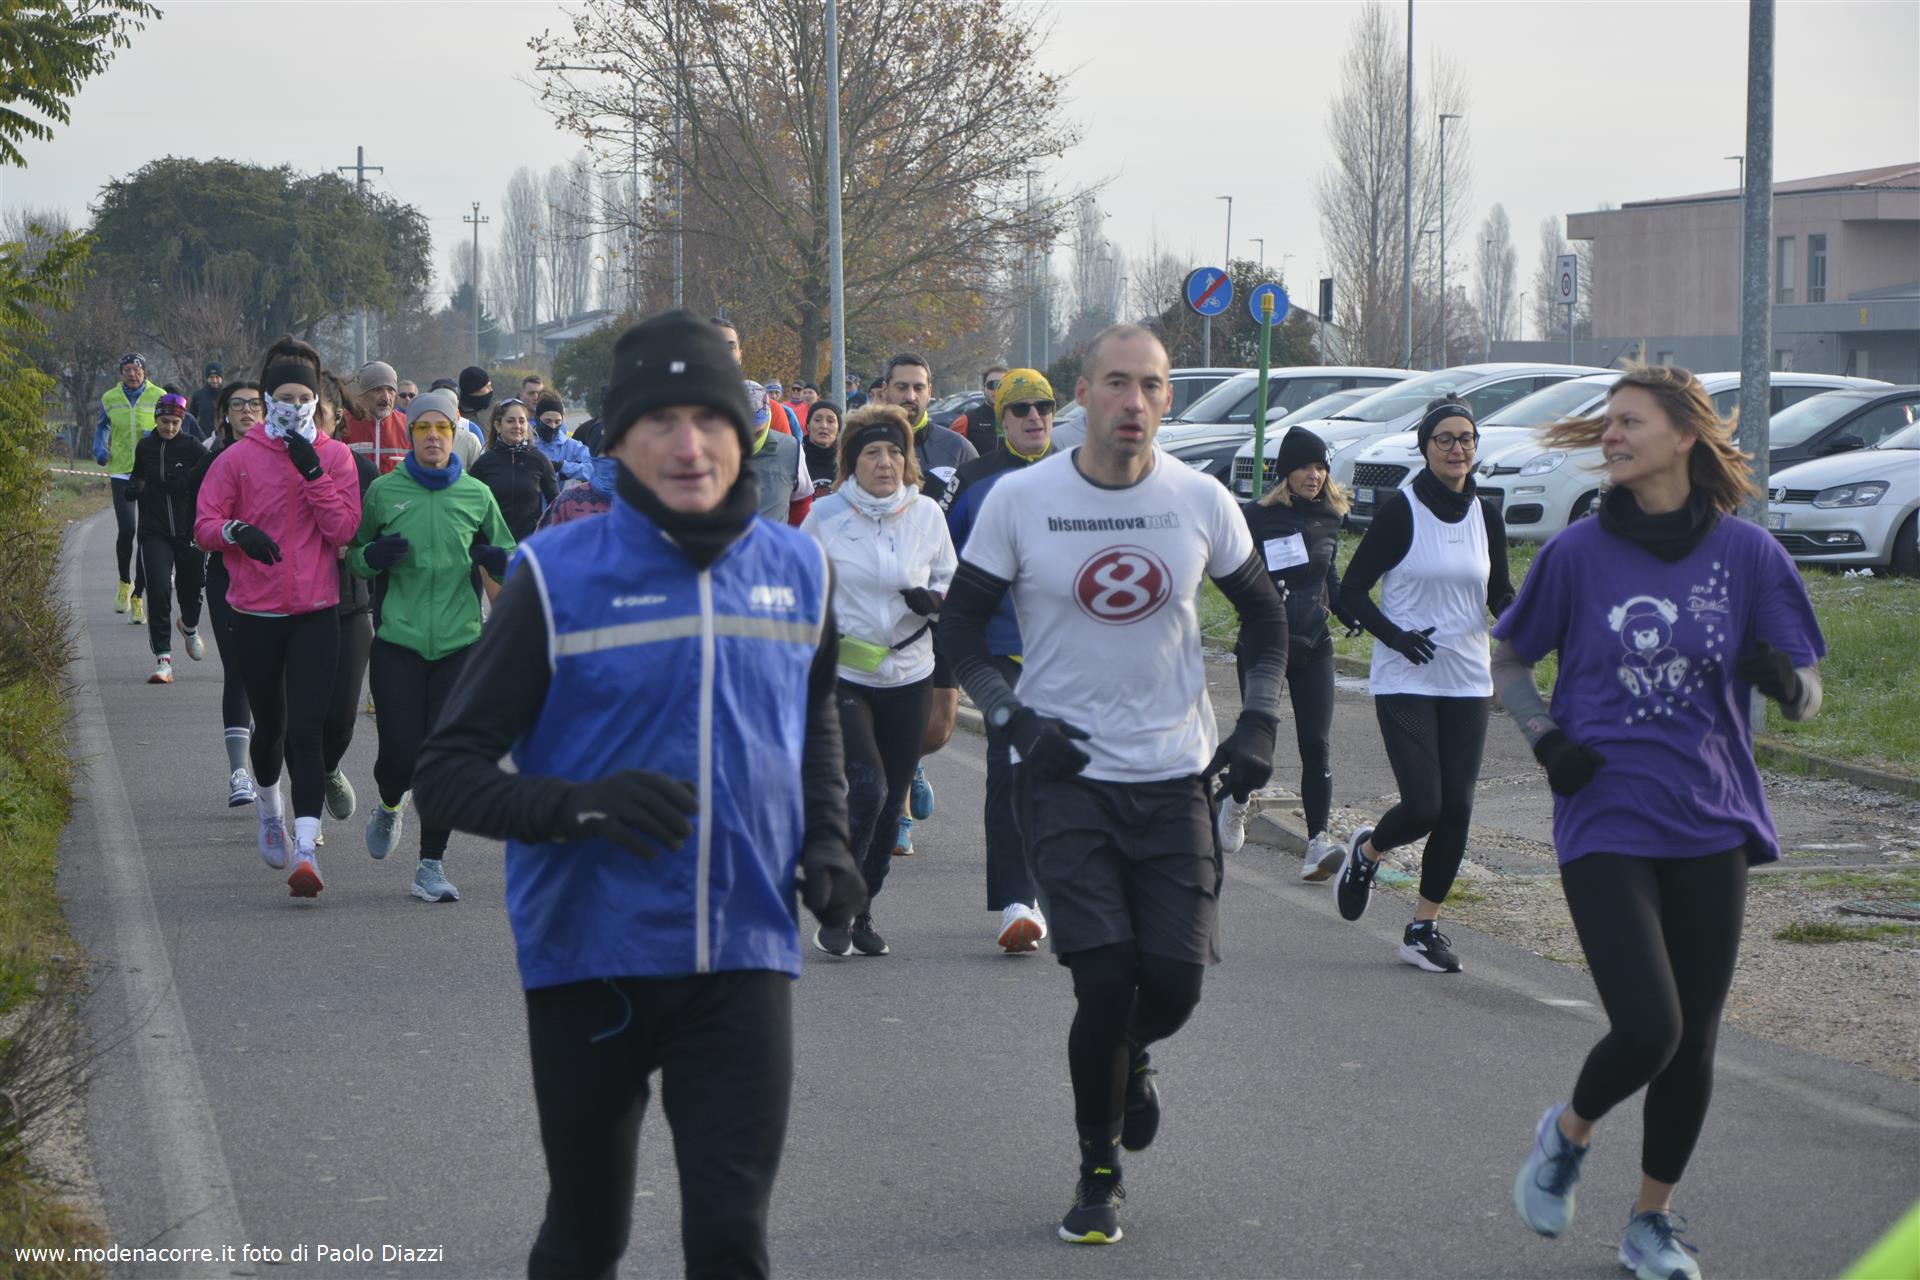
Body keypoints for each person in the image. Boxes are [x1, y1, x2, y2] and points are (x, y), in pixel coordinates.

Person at [412, 309, 864, 1279]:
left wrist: (828, 838)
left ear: (747, 433)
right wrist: (578, 806)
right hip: (592, 956)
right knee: (587, 1236)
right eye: (660, 421)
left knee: (731, 1238)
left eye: (710, 419)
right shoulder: (553, 576)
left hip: (742, 952)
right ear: (616, 440)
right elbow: (445, 771)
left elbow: (814, 715)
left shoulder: (799, 568)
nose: (689, 445)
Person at [938, 324, 1287, 1246]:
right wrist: (1013, 720)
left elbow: (1266, 617)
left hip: (1174, 776)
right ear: (1083, 395)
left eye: (1152, 386)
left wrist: (1259, 718)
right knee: (1102, 979)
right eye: (1117, 383)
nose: (1135, 402)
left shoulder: (1200, 499)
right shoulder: (1021, 500)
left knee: (1172, 986)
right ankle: (1099, 1170)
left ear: (1168, 400)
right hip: (1065, 777)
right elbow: (961, 630)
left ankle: (1131, 1057)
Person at [1500, 366, 1824, 1280]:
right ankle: (1567, 1135)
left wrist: (1785, 685)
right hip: (1603, 815)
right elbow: (1509, 659)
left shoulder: (1749, 556)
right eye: (1606, 423)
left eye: (1629, 422)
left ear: (1684, 437)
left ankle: (1651, 1222)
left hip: (1711, 820)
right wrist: (1545, 740)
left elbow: (1809, 692)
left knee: (1695, 1040)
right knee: (1650, 1028)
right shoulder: (1576, 554)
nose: (1610, 436)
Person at [1332, 395, 1514, 973]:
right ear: (1426, 447)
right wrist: (1395, 636)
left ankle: (1422, 928)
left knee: (1457, 807)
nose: (1457, 448)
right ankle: (1368, 852)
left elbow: (1498, 591)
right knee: (1424, 805)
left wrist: (1526, 618)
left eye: (1466, 439)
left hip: (1466, 678)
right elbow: (1351, 591)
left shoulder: (1486, 514)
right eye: (1445, 439)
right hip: (1405, 677)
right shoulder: (1402, 511)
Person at [194, 355, 362, 896]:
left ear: (316, 401)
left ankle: (306, 851)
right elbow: (204, 525)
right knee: (271, 730)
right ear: (267, 402)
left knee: (307, 734)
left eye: (303, 398)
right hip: (255, 613)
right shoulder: (238, 458)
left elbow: (343, 530)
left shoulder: (334, 456)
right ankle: (270, 810)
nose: (294, 406)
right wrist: (237, 532)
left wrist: (313, 473)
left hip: (316, 612)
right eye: (284, 398)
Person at [349, 387, 515, 904]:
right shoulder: (384, 491)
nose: (434, 437)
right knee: (400, 756)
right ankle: (389, 803)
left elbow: (506, 551)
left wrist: (501, 561)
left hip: (459, 643)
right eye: (423, 428)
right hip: (397, 642)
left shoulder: (476, 494)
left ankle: (430, 865)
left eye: (443, 428)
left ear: (455, 434)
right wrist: (373, 556)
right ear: (411, 435)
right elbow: (354, 553)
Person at [801, 404, 955, 957]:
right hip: (844, 673)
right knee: (868, 788)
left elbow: (950, 580)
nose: (885, 462)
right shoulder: (825, 516)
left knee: (892, 805)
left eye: (894, 451)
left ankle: (860, 910)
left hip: (910, 673)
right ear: (852, 462)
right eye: (872, 452)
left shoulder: (927, 515)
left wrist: (934, 600)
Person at [940, 367, 1059, 951]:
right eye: (1021, 409)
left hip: (1069, 654)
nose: (1034, 417)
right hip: (998, 651)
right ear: (1002, 417)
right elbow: (937, 550)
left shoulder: (1082, 474)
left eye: (1044, 407)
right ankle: (1017, 900)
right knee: (1011, 765)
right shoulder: (972, 480)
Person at [1216, 428, 1363, 881]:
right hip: (1265, 643)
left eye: (1320, 467)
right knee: (1259, 746)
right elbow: (1229, 570)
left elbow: (1328, 574)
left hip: (1314, 644)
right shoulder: (1256, 517)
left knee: (1316, 744)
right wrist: (1252, 603)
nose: (1314, 476)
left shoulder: (1330, 517)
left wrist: (1347, 611)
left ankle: (1317, 842)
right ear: (1285, 472)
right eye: (1304, 467)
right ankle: (1236, 800)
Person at [877, 352, 977, 855]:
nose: (910, 396)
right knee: (889, 710)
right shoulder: (868, 443)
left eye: (918, 387)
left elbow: (977, 514)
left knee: (937, 727)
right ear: (885, 390)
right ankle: (896, 814)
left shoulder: (956, 448)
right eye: (902, 387)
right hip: (884, 601)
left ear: (930, 392)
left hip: (942, 597)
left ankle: (912, 761)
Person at [189, 380, 262, 806]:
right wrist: (232, 532)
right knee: (238, 672)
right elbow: (196, 527)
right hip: (227, 578)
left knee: (271, 679)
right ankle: (239, 773)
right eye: (238, 405)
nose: (247, 411)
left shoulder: (286, 460)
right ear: (225, 414)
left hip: (278, 581)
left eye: (255, 404)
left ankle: (268, 754)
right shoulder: (212, 461)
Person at [313, 372, 379, 830]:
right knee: (302, 716)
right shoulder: (275, 464)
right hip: (295, 607)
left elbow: (374, 535)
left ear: (338, 417)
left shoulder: (363, 471)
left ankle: (329, 768)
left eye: (317, 411)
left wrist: (355, 544)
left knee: (341, 719)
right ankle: (305, 818)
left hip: (350, 602)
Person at [125, 394, 207, 685]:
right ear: (156, 419)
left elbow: (211, 478)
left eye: (174, 422)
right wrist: (134, 487)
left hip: (189, 532)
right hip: (154, 531)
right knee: (159, 590)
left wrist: (187, 483)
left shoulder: (193, 447)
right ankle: (163, 660)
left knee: (191, 590)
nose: (169, 427)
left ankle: (189, 626)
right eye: (164, 421)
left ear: (182, 422)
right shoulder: (145, 446)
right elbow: (137, 474)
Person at [95, 352, 166, 619]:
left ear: (144, 372)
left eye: (137, 370)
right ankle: (125, 582)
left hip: (149, 473)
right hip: (122, 471)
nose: (132, 374)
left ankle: (138, 598)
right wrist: (100, 449)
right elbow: (102, 426)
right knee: (127, 530)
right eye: (127, 370)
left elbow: (170, 425)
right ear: (121, 373)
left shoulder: (159, 395)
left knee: (146, 535)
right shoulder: (110, 398)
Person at [472, 397, 561, 542]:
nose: (517, 426)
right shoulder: (484, 463)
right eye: (510, 421)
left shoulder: (540, 460)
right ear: (498, 425)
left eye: (522, 421)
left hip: (529, 546)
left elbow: (557, 505)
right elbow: (470, 506)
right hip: (491, 548)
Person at [743, 381, 814, 526]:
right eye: (742, 432)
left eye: (757, 434)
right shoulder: (706, 449)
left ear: (769, 418)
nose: (749, 440)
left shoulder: (791, 449)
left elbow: (802, 502)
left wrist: (795, 536)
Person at [342, 360, 411, 474]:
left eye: (391, 390)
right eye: (378, 390)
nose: (386, 398)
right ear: (363, 394)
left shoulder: (408, 425)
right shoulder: (344, 423)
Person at [532, 394, 591, 485]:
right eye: (547, 421)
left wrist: (563, 467)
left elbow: (596, 468)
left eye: (557, 422)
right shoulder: (527, 442)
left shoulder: (570, 445)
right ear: (537, 419)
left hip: (561, 494)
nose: (553, 426)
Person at [956, 363, 1008, 446]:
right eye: (991, 385)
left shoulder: (1020, 419)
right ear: (983, 389)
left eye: (1002, 385)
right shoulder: (966, 421)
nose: (997, 390)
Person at [801, 400, 841, 496]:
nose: (823, 426)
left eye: (830, 421)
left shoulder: (848, 462)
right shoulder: (796, 459)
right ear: (808, 426)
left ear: (838, 429)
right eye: (817, 420)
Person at [457, 366, 493, 442]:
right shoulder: (458, 417)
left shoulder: (491, 412)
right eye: (488, 387)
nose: (491, 390)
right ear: (476, 390)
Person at [186, 362, 223, 431]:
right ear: (207, 378)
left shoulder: (228, 395)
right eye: (211, 377)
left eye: (217, 377)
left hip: (225, 436)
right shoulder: (198, 396)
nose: (214, 380)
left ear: (222, 378)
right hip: (204, 436)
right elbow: (191, 419)